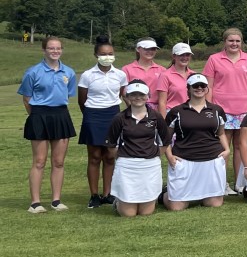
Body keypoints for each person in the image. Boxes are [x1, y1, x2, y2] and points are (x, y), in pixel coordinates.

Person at [19, 36, 77, 213]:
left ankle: (56, 200)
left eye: (58, 48)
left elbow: (67, 95)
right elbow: (27, 99)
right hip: (39, 115)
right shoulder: (33, 72)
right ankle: (35, 203)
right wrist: (37, 117)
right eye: (51, 48)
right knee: (39, 161)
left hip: (61, 115)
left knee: (58, 162)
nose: (55, 51)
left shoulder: (69, 72)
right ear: (44, 50)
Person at [163, 73, 230, 210]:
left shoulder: (217, 110)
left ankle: (200, 194)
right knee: (176, 207)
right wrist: (169, 156)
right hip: (184, 159)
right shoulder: (177, 112)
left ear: (207, 89)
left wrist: (227, 150)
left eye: (202, 86)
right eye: (195, 86)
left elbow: (221, 133)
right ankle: (164, 193)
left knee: (214, 204)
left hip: (212, 160)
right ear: (188, 89)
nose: (199, 88)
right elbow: (166, 138)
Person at [205, 27, 247, 192]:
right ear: (225, 42)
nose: (234, 44)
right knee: (223, 147)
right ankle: (222, 184)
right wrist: (210, 109)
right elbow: (209, 86)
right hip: (223, 110)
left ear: (241, 42)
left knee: (240, 146)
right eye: (231, 40)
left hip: (246, 110)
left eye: (237, 41)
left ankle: (239, 182)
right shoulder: (214, 59)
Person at [106, 81, 171, 217]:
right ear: (128, 97)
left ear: (148, 96)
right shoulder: (119, 118)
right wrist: (124, 156)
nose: (137, 98)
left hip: (150, 166)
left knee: (145, 213)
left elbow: (165, 141)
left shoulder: (156, 117)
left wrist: (153, 155)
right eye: (133, 95)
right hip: (127, 167)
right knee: (128, 214)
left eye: (141, 94)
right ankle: (118, 202)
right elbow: (111, 145)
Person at [78, 37, 126, 209]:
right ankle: (94, 195)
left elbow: (122, 95)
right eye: (103, 54)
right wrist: (91, 116)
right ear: (96, 55)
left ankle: (107, 194)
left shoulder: (120, 74)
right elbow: (82, 100)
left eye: (110, 54)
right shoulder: (88, 75)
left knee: (110, 156)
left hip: (113, 115)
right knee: (95, 157)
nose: (107, 56)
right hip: (93, 115)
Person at [123, 38, 167, 115]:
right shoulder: (127, 69)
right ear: (138, 49)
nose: (150, 52)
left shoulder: (162, 70)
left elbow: (164, 96)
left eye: (153, 49)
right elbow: (125, 94)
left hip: (156, 111)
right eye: (146, 49)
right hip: (135, 109)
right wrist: (136, 110)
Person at [164, 42, 197, 109]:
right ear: (174, 56)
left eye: (187, 55)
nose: (185, 57)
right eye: (181, 55)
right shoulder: (165, 75)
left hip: (191, 112)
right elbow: (162, 102)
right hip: (172, 113)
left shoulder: (194, 75)